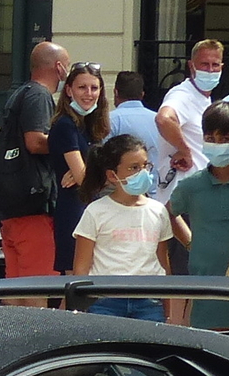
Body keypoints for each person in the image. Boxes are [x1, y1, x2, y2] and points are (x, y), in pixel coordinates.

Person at [71, 134, 186, 320]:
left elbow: (163, 263)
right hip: (105, 301)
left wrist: (167, 308)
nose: (143, 173)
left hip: (149, 301)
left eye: (145, 166)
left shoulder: (157, 211)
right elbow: (81, 268)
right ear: (112, 175)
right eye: (133, 168)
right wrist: (80, 308)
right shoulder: (95, 211)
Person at [0, 42, 66, 291]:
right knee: (39, 284)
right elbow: (35, 142)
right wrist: (70, 143)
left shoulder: (21, 93)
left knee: (17, 284)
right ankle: (37, 331)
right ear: (59, 67)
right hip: (33, 206)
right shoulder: (40, 95)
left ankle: (11, 329)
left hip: (12, 204)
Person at [181, 103, 229, 329]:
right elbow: (167, 213)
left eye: (225, 139)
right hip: (204, 292)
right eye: (210, 138)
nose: (216, 145)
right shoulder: (192, 185)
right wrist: (189, 241)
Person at [48, 62, 109, 272]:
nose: (89, 94)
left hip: (91, 208)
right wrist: (89, 173)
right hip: (73, 210)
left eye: (94, 88)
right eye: (82, 87)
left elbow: (93, 172)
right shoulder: (66, 125)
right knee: (75, 279)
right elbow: (85, 180)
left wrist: (90, 171)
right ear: (68, 90)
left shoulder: (90, 125)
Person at [157, 39, 223, 194]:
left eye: (215, 65)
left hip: (201, 192)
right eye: (204, 65)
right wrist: (184, 151)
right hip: (182, 194)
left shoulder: (204, 99)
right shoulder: (183, 95)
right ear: (191, 66)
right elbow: (164, 119)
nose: (210, 70)